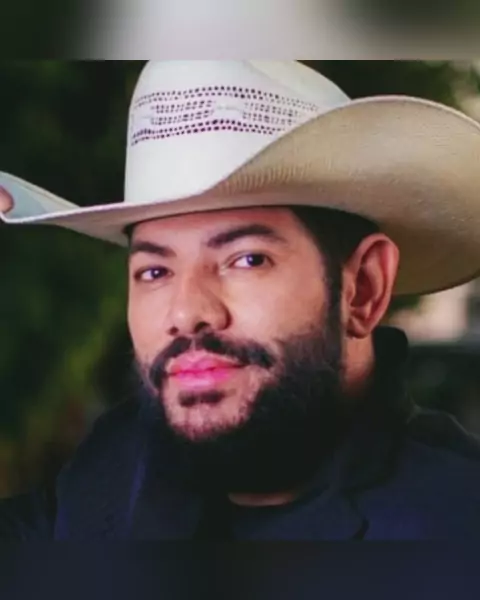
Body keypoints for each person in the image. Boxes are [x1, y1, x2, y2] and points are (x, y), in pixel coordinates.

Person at [1, 60, 480, 540]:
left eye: (247, 260)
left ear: (364, 288)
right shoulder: (119, 461)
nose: (186, 313)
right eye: (154, 271)